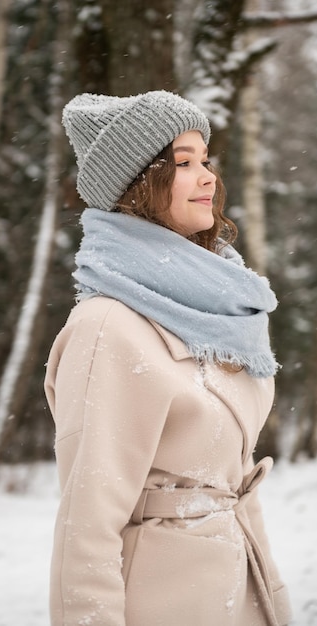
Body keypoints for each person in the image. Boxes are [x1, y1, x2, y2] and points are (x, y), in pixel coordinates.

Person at [44, 90, 292, 626]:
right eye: (183, 163)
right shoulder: (108, 327)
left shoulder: (217, 307)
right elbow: (86, 530)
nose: (208, 177)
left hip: (238, 585)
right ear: (136, 186)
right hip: (161, 601)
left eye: (206, 160)